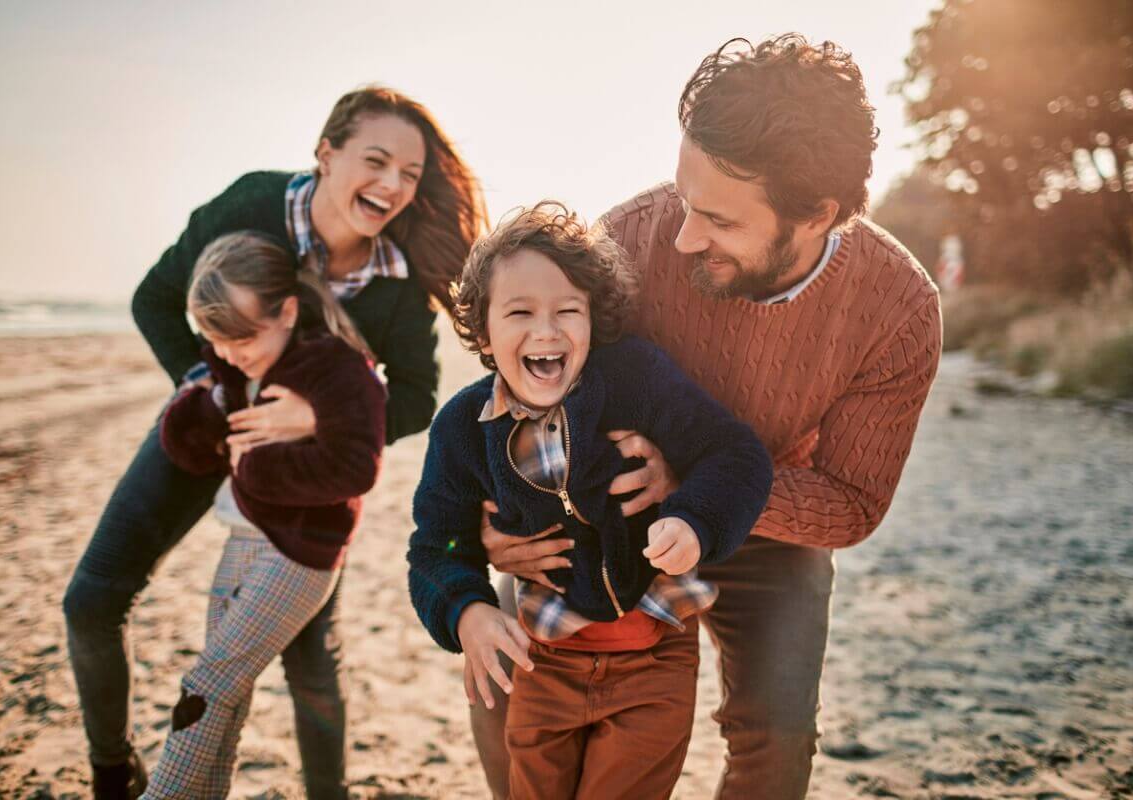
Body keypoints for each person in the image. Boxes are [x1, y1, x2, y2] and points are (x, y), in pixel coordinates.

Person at [469, 35, 943, 799]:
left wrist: (694, 489)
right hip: (608, 514)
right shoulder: (627, 239)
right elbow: (528, 389)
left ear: (817, 214)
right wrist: (494, 522)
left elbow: (852, 501)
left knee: (779, 735)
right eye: (686, 199)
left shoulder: (900, 310)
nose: (684, 234)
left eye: (718, 220)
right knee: (501, 670)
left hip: (771, 524)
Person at [62, 86, 486, 800]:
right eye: (375, 160)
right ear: (326, 153)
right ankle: (112, 770)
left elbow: (415, 394)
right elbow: (155, 298)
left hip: (311, 469)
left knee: (314, 656)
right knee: (93, 598)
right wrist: (210, 386)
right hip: (209, 427)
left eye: (409, 175)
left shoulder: (397, 284)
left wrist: (317, 418)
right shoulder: (251, 204)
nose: (391, 184)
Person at [407, 202, 773, 799]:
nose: (546, 331)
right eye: (520, 312)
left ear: (594, 319)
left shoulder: (634, 378)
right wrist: (465, 610)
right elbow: (434, 546)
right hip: (544, 660)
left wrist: (696, 519)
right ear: (484, 327)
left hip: (654, 657)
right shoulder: (462, 428)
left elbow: (734, 454)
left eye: (567, 312)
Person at [144, 231, 385, 798]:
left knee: (208, 681)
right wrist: (200, 405)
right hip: (243, 539)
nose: (227, 352)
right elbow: (192, 445)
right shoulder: (229, 365)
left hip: (300, 553)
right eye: (214, 340)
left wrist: (255, 469)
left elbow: (356, 467)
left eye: (240, 339)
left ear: (287, 313)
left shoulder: (335, 369)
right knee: (226, 700)